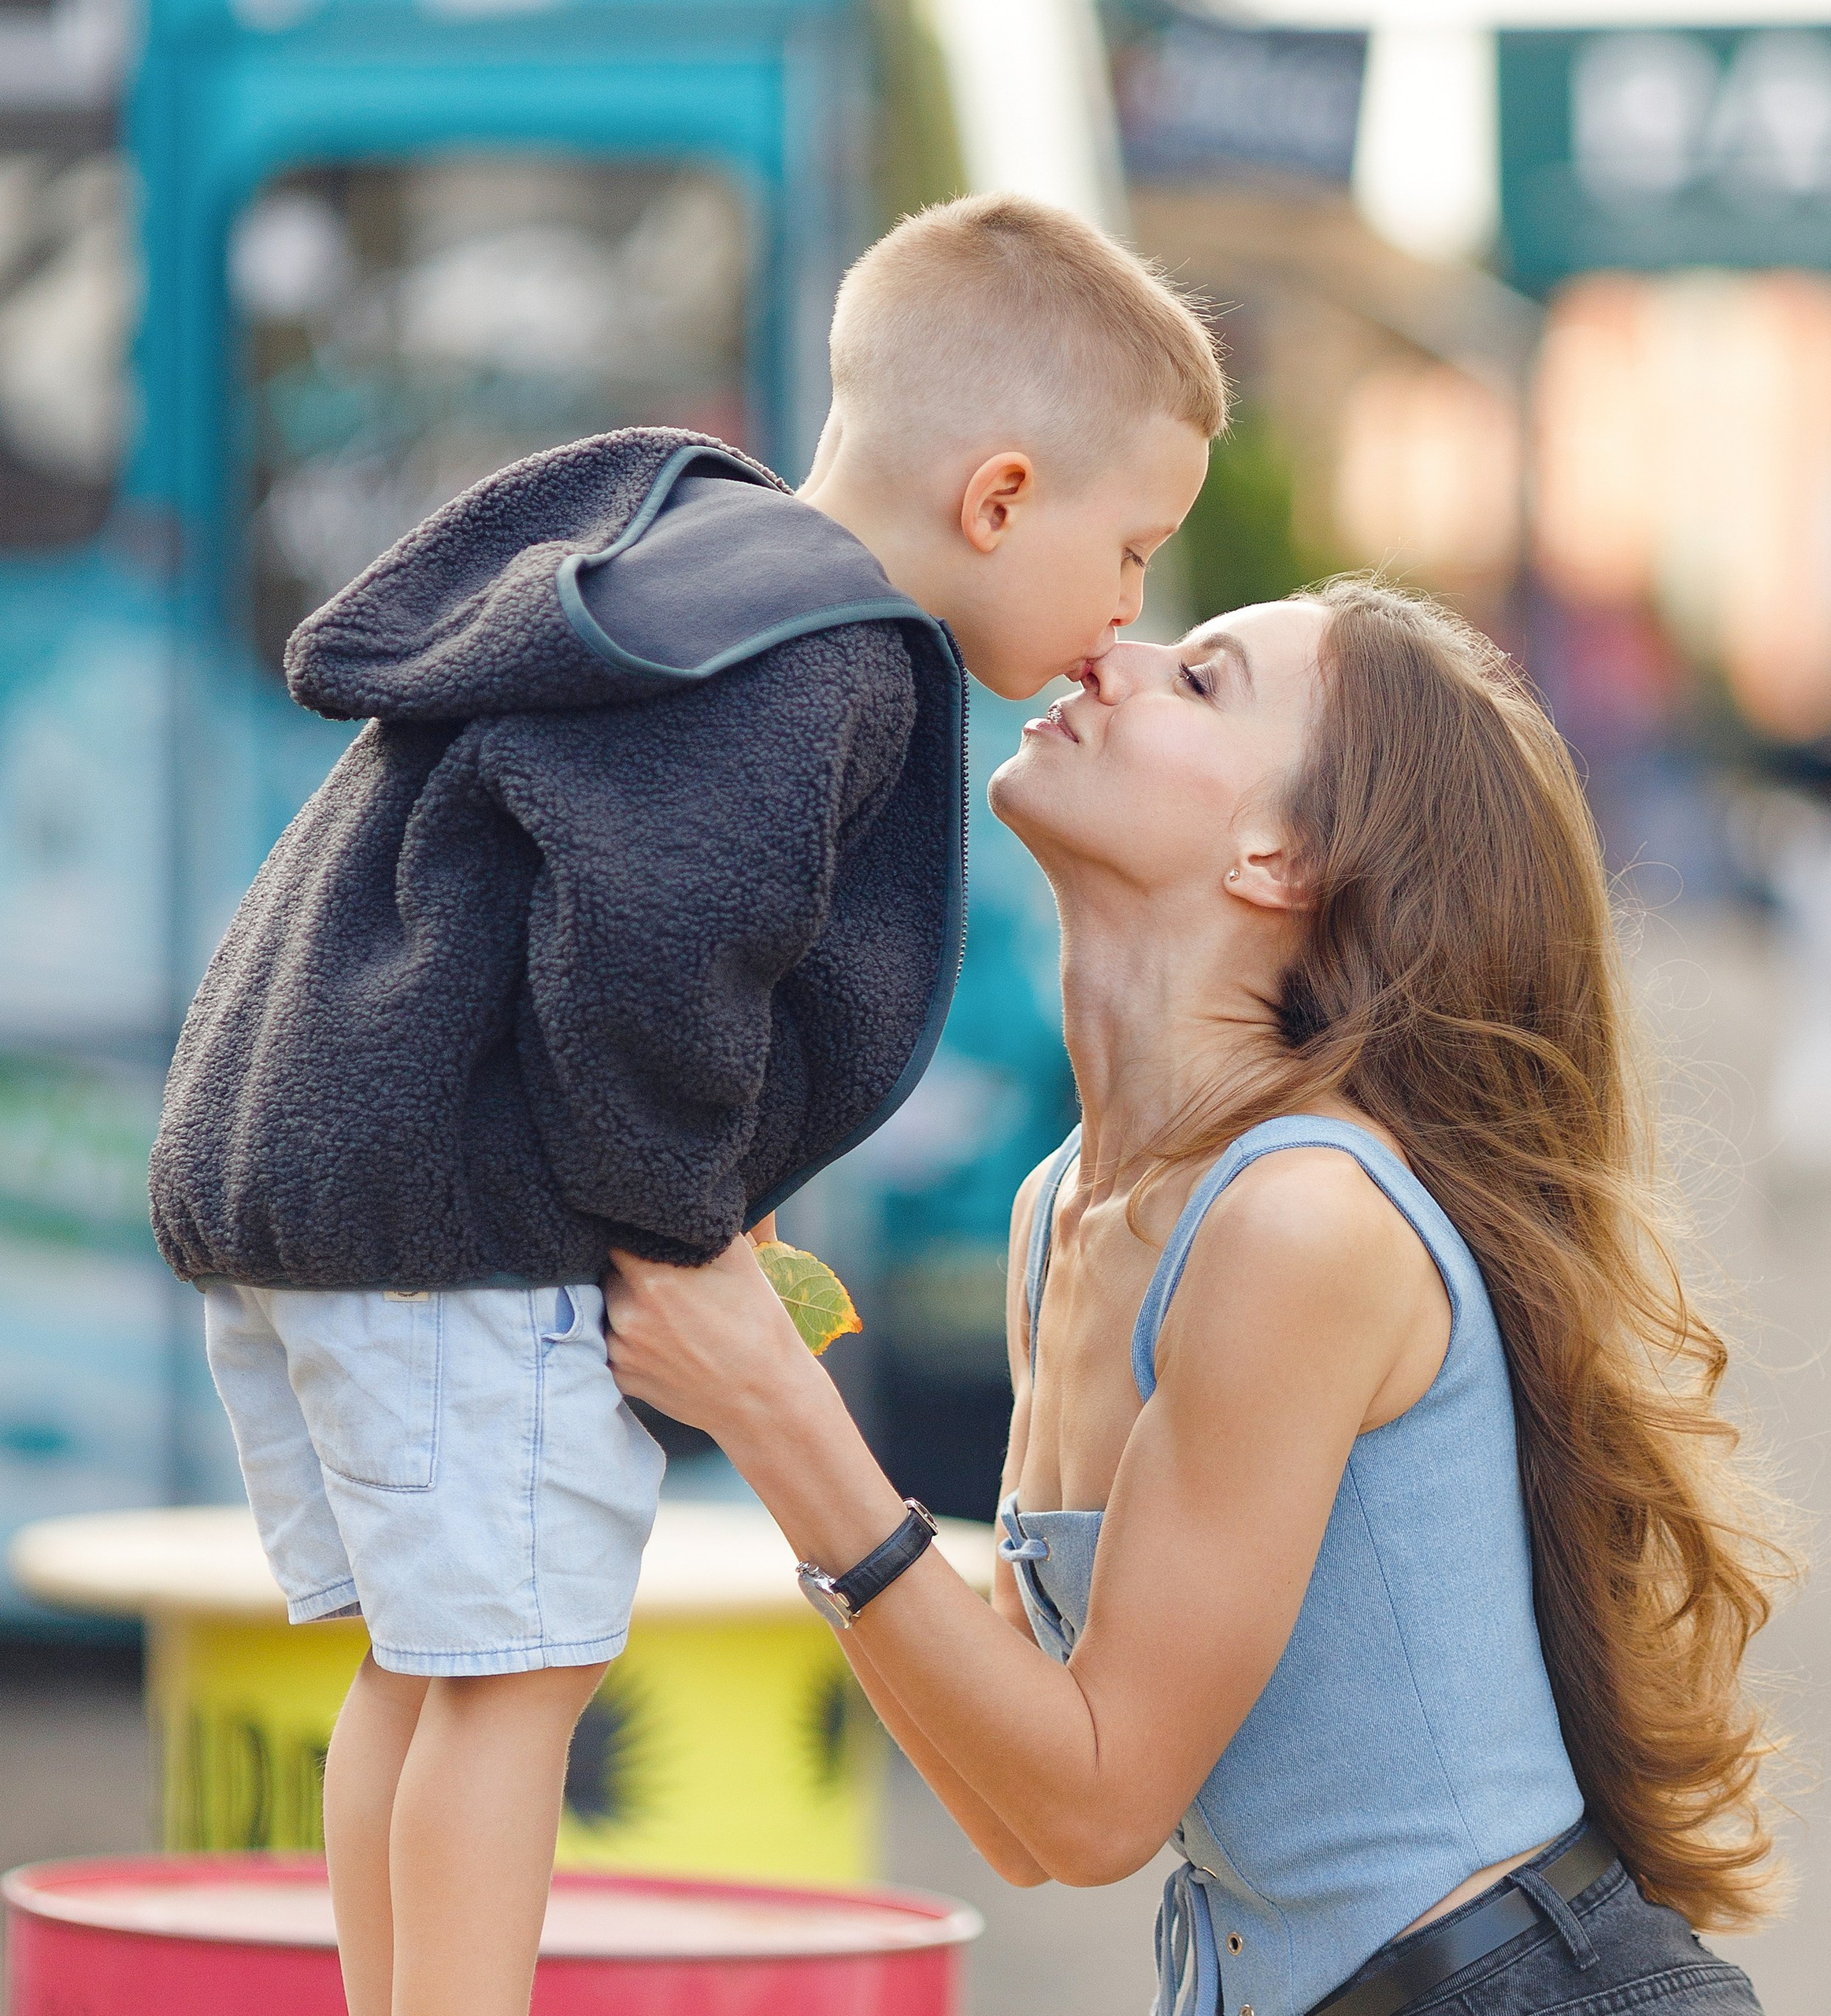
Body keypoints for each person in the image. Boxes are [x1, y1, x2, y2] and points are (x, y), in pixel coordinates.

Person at [145, 194, 1224, 2016]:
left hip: (323, 1184)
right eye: (1130, 551)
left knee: (426, 1669)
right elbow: (655, 951)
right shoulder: (818, 658)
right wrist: (684, 1211)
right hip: (463, 1224)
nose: (1125, 610)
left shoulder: (675, 568)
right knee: (520, 1679)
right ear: (997, 499)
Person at [605, 580, 1792, 2016]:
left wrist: (769, 1404)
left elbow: (1102, 1807)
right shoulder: (1066, 1215)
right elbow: (1024, 1818)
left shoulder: (1302, 1223)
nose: (1114, 652)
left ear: (1280, 854)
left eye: (1204, 680)